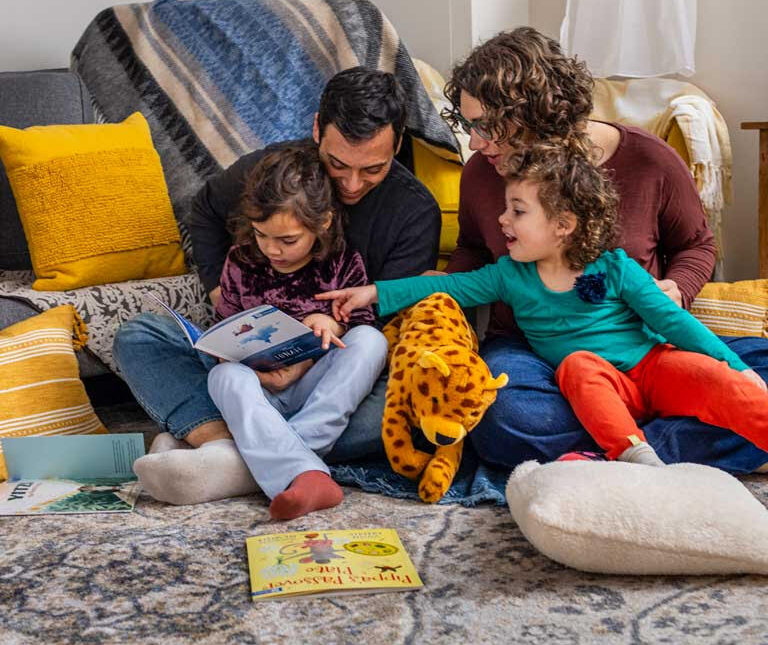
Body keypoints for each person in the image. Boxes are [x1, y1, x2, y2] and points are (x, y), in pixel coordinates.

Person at [430, 26, 768, 471]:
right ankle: (673, 439)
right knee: (505, 421)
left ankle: (612, 449)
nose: (475, 142)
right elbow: (474, 249)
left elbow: (696, 245)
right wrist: (444, 293)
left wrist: (678, 287)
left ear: (543, 112)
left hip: (644, 348)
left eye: (488, 127)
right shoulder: (481, 173)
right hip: (533, 351)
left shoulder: (651, 160)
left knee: (758, 370)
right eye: (469, 125)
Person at [318, 143, 768, 469]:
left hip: (652, 368)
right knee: (577, 367)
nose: (502, 220)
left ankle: (735, 418)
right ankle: (637, 458)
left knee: (721, 377)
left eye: (517, 211)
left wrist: (734, 367)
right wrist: (374, 292)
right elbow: (451, 286)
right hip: (598, 387)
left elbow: (673, 321)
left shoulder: (615, 267)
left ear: (563, 225)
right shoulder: (510, 276)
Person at [114, 67, 440, 505]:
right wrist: (219, 293)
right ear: (316, 131)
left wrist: (304, 361)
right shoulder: (275, 175)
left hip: (332, 376)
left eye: (373, 169)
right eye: (338, 164)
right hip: (248, 376)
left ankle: (229, 457)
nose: (351, 184)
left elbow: (380, 321)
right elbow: (206, 211)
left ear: (398, 144)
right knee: (139, 337)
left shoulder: (414, 212)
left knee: (402, 395)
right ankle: (263, 450)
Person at [207, 144, 387, 520]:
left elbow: (365, 321)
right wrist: (232, 356)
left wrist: (333, 323)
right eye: (261, 235)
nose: (272, 249)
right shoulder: (240, 261)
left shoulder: (340, 261)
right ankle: (302, 468)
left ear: (321, 224)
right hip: (261, 394)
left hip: (316, 394)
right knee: (223, 375)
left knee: (371, 341)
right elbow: (226, 328)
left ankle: (282, 460)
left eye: (287, 240)